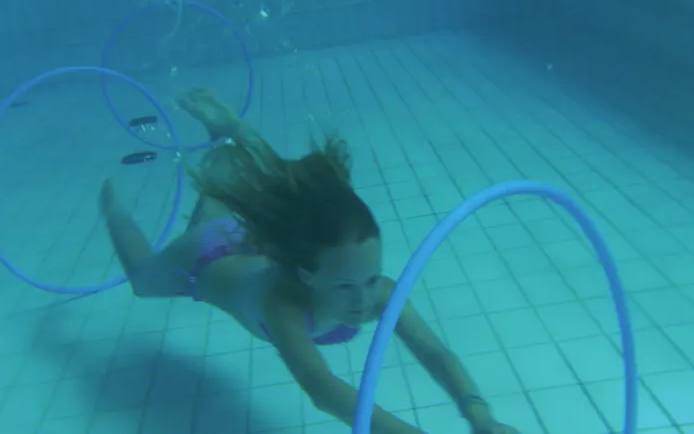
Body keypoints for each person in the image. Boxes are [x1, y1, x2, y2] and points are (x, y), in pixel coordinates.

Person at [100, 88, 520, 434]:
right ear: (307, 276)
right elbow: (323, 389)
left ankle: (227, 135)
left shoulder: (375, 291)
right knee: (143, 277)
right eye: (344, 287)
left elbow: (434, 351)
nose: (362, 301)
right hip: (205, 256)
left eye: (371, 279)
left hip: (254, 244)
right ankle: (113, 210)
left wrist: (481, 416)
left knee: (259, 205)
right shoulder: (284, 305)